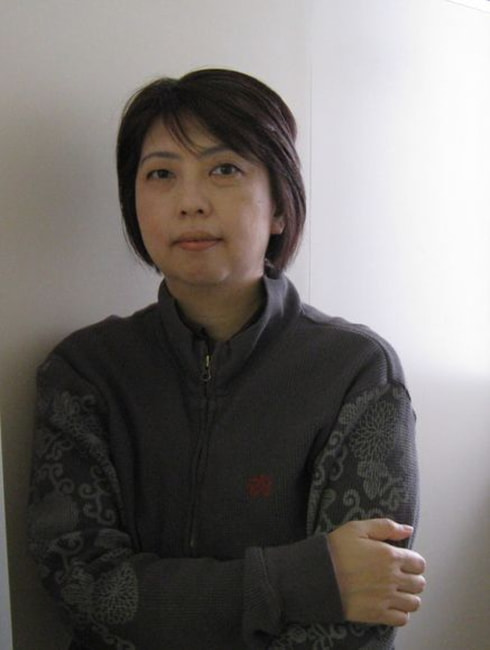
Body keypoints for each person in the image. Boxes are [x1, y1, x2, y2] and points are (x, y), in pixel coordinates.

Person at [27, 69, 426, 650]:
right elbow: (85, 588)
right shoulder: (84, 373)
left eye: (224, 170)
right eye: (161, 174)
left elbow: (363, 609)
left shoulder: (356, 372)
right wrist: (300, 579)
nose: (190, 202)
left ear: (280, 207)